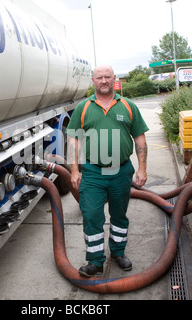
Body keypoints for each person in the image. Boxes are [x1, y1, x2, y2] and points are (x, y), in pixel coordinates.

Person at [66, 65, 149, 277]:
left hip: (121, 171)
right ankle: (95, 261)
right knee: (92, 214)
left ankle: (118, 253)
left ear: (115, 79)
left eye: (107, 77)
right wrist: (74, 171)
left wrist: (142, 169)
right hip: (93, 172)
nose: (104, 81)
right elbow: (73, 140)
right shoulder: (83, 107)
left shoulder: (128, 106)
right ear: (92, 81)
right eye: (99, 77)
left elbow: (139, 137)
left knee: (119, 215)